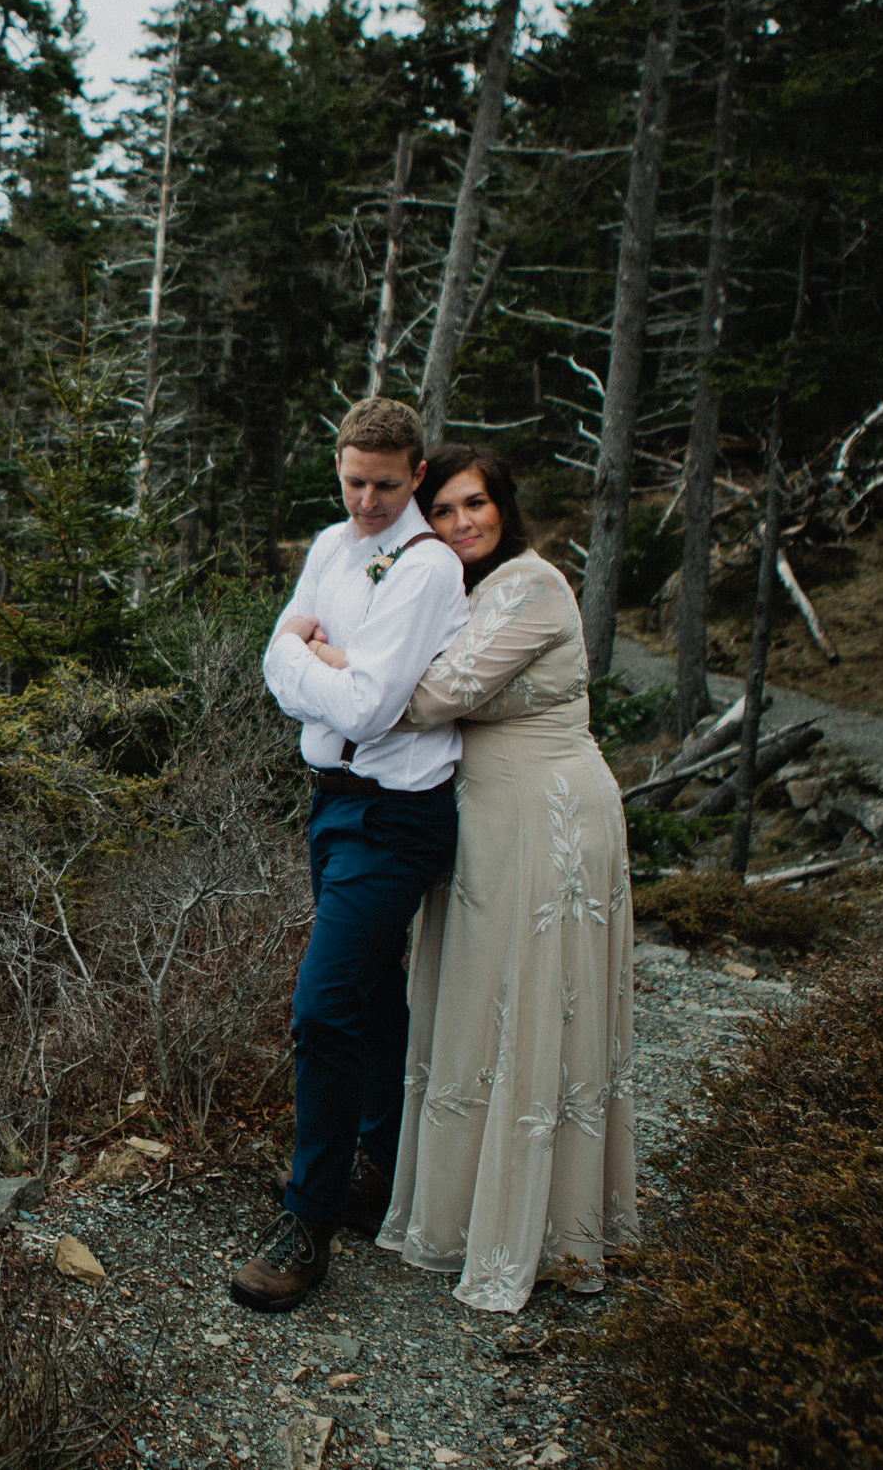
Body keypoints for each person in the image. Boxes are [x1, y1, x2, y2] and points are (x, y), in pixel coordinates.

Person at [375, 443, 639, 1312]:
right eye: (442, 511)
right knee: (474, 1005)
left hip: (547, 815)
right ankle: (459, 1217)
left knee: (530, 1009)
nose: (458, 524)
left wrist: (351, 670)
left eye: (473, 503)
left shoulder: (533, 584)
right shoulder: (465, 587)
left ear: (504, 503)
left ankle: (539, 1233)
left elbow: (432, 693)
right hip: (486, 822)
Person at [231, 397, 470, 1314]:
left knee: (322, 1008)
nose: (367, 499)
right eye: (353, 481)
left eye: (384, 483)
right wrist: (316, 661)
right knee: (369, 997)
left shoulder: (428, 566)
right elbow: (274, 659)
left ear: (416, 474)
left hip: (399, 815)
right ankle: (379, 1162)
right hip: (331, 808)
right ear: (338, 469)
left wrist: (317, 665)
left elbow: (371, 708)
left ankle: (309, 1221)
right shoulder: (332, 546)